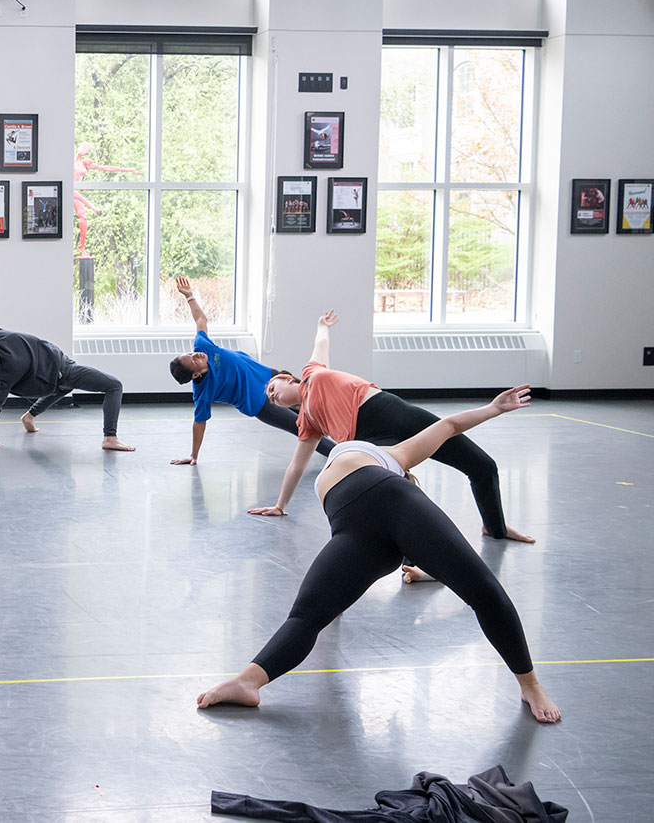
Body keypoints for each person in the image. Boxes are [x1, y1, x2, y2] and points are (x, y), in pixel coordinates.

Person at [195, 385, 561, 724]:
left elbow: (448, 426)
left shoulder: (392, 458)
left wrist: (494, 409)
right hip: (359, 535)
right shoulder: (390, 459)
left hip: (379, 511)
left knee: (483, 590)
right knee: (307, 615)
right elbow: (446, 427)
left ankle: (530, 685)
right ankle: (248, 682)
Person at [248, 311, 533, 546]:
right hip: (370, 441)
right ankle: (419, 561)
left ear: (287, 378)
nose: (273, 397)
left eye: (273, 388)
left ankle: (495, 528)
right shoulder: (306, 423)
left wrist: (322, 325)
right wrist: (280, 505)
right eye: (271, 400)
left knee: (483, 466)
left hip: (392, 411)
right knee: (403, 499)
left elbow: (320, 344)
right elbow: (296, 466)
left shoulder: (313, 372)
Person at [0, 293, 133, 452]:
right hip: (62, 373)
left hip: (57, 367)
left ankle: (29, 416)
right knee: (113, 386)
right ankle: (110, 438)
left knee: (59, 389)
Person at [165, 277, 335, 466]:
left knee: (314, 406)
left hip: (271, 377)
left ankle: (348, 435)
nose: (196, 354)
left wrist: (189, 296)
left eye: (191, 353)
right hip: (261, 403)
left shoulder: (203, 346)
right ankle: (340, 454)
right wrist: (194, 455)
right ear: (195, 375)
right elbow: (199, 423)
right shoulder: (203, 392)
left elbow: (200, 319)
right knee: (302, 426)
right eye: (193, 360)